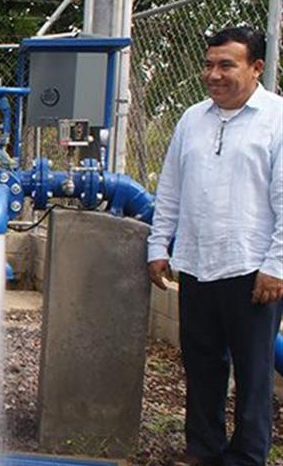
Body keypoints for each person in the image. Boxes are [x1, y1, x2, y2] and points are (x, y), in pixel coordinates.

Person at [147, 26, 282, 466]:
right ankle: (203, 450)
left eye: (227, 65)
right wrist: (158, 246)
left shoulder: (276, 121)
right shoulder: (192, 119)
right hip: (198, 265)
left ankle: (246, 457)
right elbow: (170, 190)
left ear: (256, 67)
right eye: (208, 64)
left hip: (251, 268)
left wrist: (277, 264)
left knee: (253, 373)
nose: (214, 74)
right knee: (202, 366)